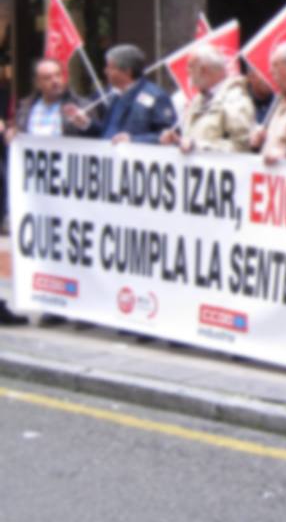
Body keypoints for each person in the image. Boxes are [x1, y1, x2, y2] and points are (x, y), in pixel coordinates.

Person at [2, 57, 88, 325]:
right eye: (47, 77)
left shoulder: (78, 106)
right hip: (35, 195)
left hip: (68, 191)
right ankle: (48, 299)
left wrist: (83, 123)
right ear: (37, 82)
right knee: (40, 246)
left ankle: (74, 305)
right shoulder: (28, 107)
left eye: (57, 75)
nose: (55, 81)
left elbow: (92, 138)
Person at [66, 44, 176, 143]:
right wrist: (86, 124)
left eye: (111, 67)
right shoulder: (115, 95)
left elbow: (170, 135)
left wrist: (133, 140)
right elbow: (109, 133)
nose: (106, 71)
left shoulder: (156, 96)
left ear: (127, 71)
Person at [161, 45, 256, 153]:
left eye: (191, 67)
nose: (187, 72)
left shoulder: (236, 100)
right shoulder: (198, 100)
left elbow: (241, 148)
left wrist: (198, 147)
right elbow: (191, 140)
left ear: (203, 70)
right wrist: (177, 141)